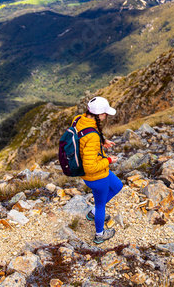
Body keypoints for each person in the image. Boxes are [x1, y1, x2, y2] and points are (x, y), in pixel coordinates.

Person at [72, 96, 123, 244]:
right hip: (94, 176)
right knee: (100, 205)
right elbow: (90, 166)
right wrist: (108, 160)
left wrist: (102, 140)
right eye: (105, 113)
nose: (106, 116)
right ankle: (99, 235)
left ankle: (94, 212)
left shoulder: (79, 119)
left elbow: (84, 136)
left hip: (96, 172)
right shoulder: (92, 136)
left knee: (117, 186)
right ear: (99, 114)